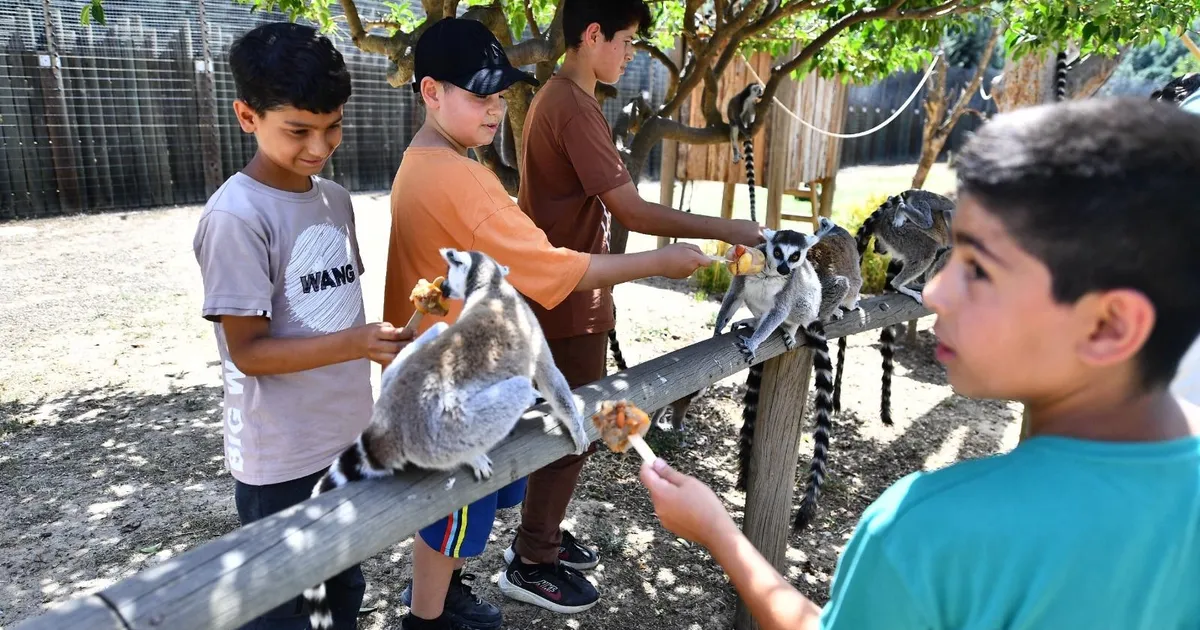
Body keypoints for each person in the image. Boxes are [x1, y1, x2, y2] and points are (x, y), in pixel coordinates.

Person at [640, 97, 1200, 629]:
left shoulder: (927, 530)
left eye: (978, 270)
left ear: (1108, 326)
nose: (934, 292)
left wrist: (720, 535)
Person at [380, 17, 715, 630]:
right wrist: (659, 261)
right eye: (479, 94)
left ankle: (446, 593)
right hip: (458, 385)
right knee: (454, 508)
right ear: (431, 91)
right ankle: (429, 617)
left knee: (465, 503)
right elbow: (552, 265)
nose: (494, 108)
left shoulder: (423, 161)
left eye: (499, 94)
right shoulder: (462, 177)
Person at [501, 0, 765, 613]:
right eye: (625, 41)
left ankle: (541, 536)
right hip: (567, 294)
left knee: (583, 423)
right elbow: (632, 210)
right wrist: (728, 228)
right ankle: (532, 557)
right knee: (575, 427)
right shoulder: (571, 105)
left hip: (572, 289)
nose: (630, 54)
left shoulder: (562, 98)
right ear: (593, 34)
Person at [192, 22, 410, 630]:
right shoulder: (236, 217)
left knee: (342, 585)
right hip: (282, 457)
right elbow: (249, 352)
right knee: (285, 608)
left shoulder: (335, 200)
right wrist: (357, 342)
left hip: (345, 438)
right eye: (298, 131)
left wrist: (380, 343)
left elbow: (335, 307)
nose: (320, 146)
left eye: (333, 126)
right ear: (247, 116)